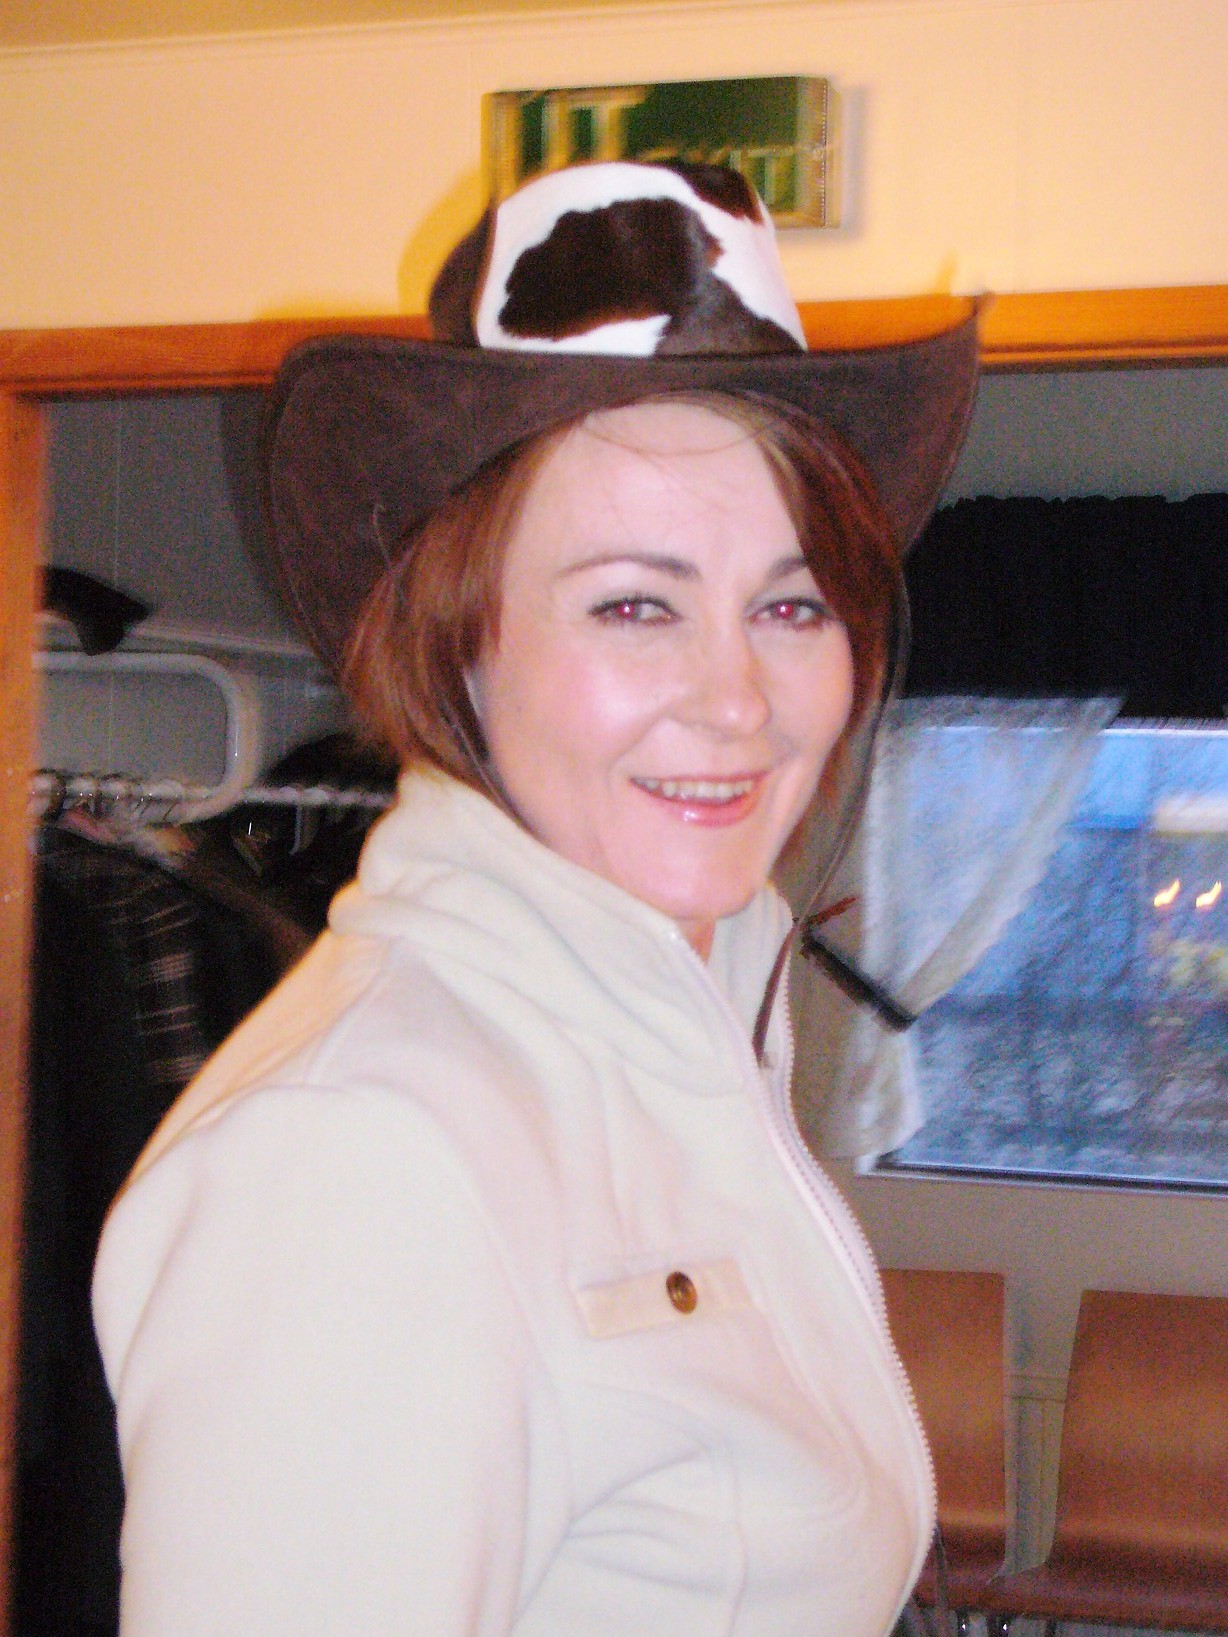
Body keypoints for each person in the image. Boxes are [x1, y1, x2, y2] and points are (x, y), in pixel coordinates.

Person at [92, 159, 979, 1636]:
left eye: (790, 603)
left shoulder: (688, 1029)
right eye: (635, 603)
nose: (739, 699)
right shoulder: (362, 1150)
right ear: (461, 644)